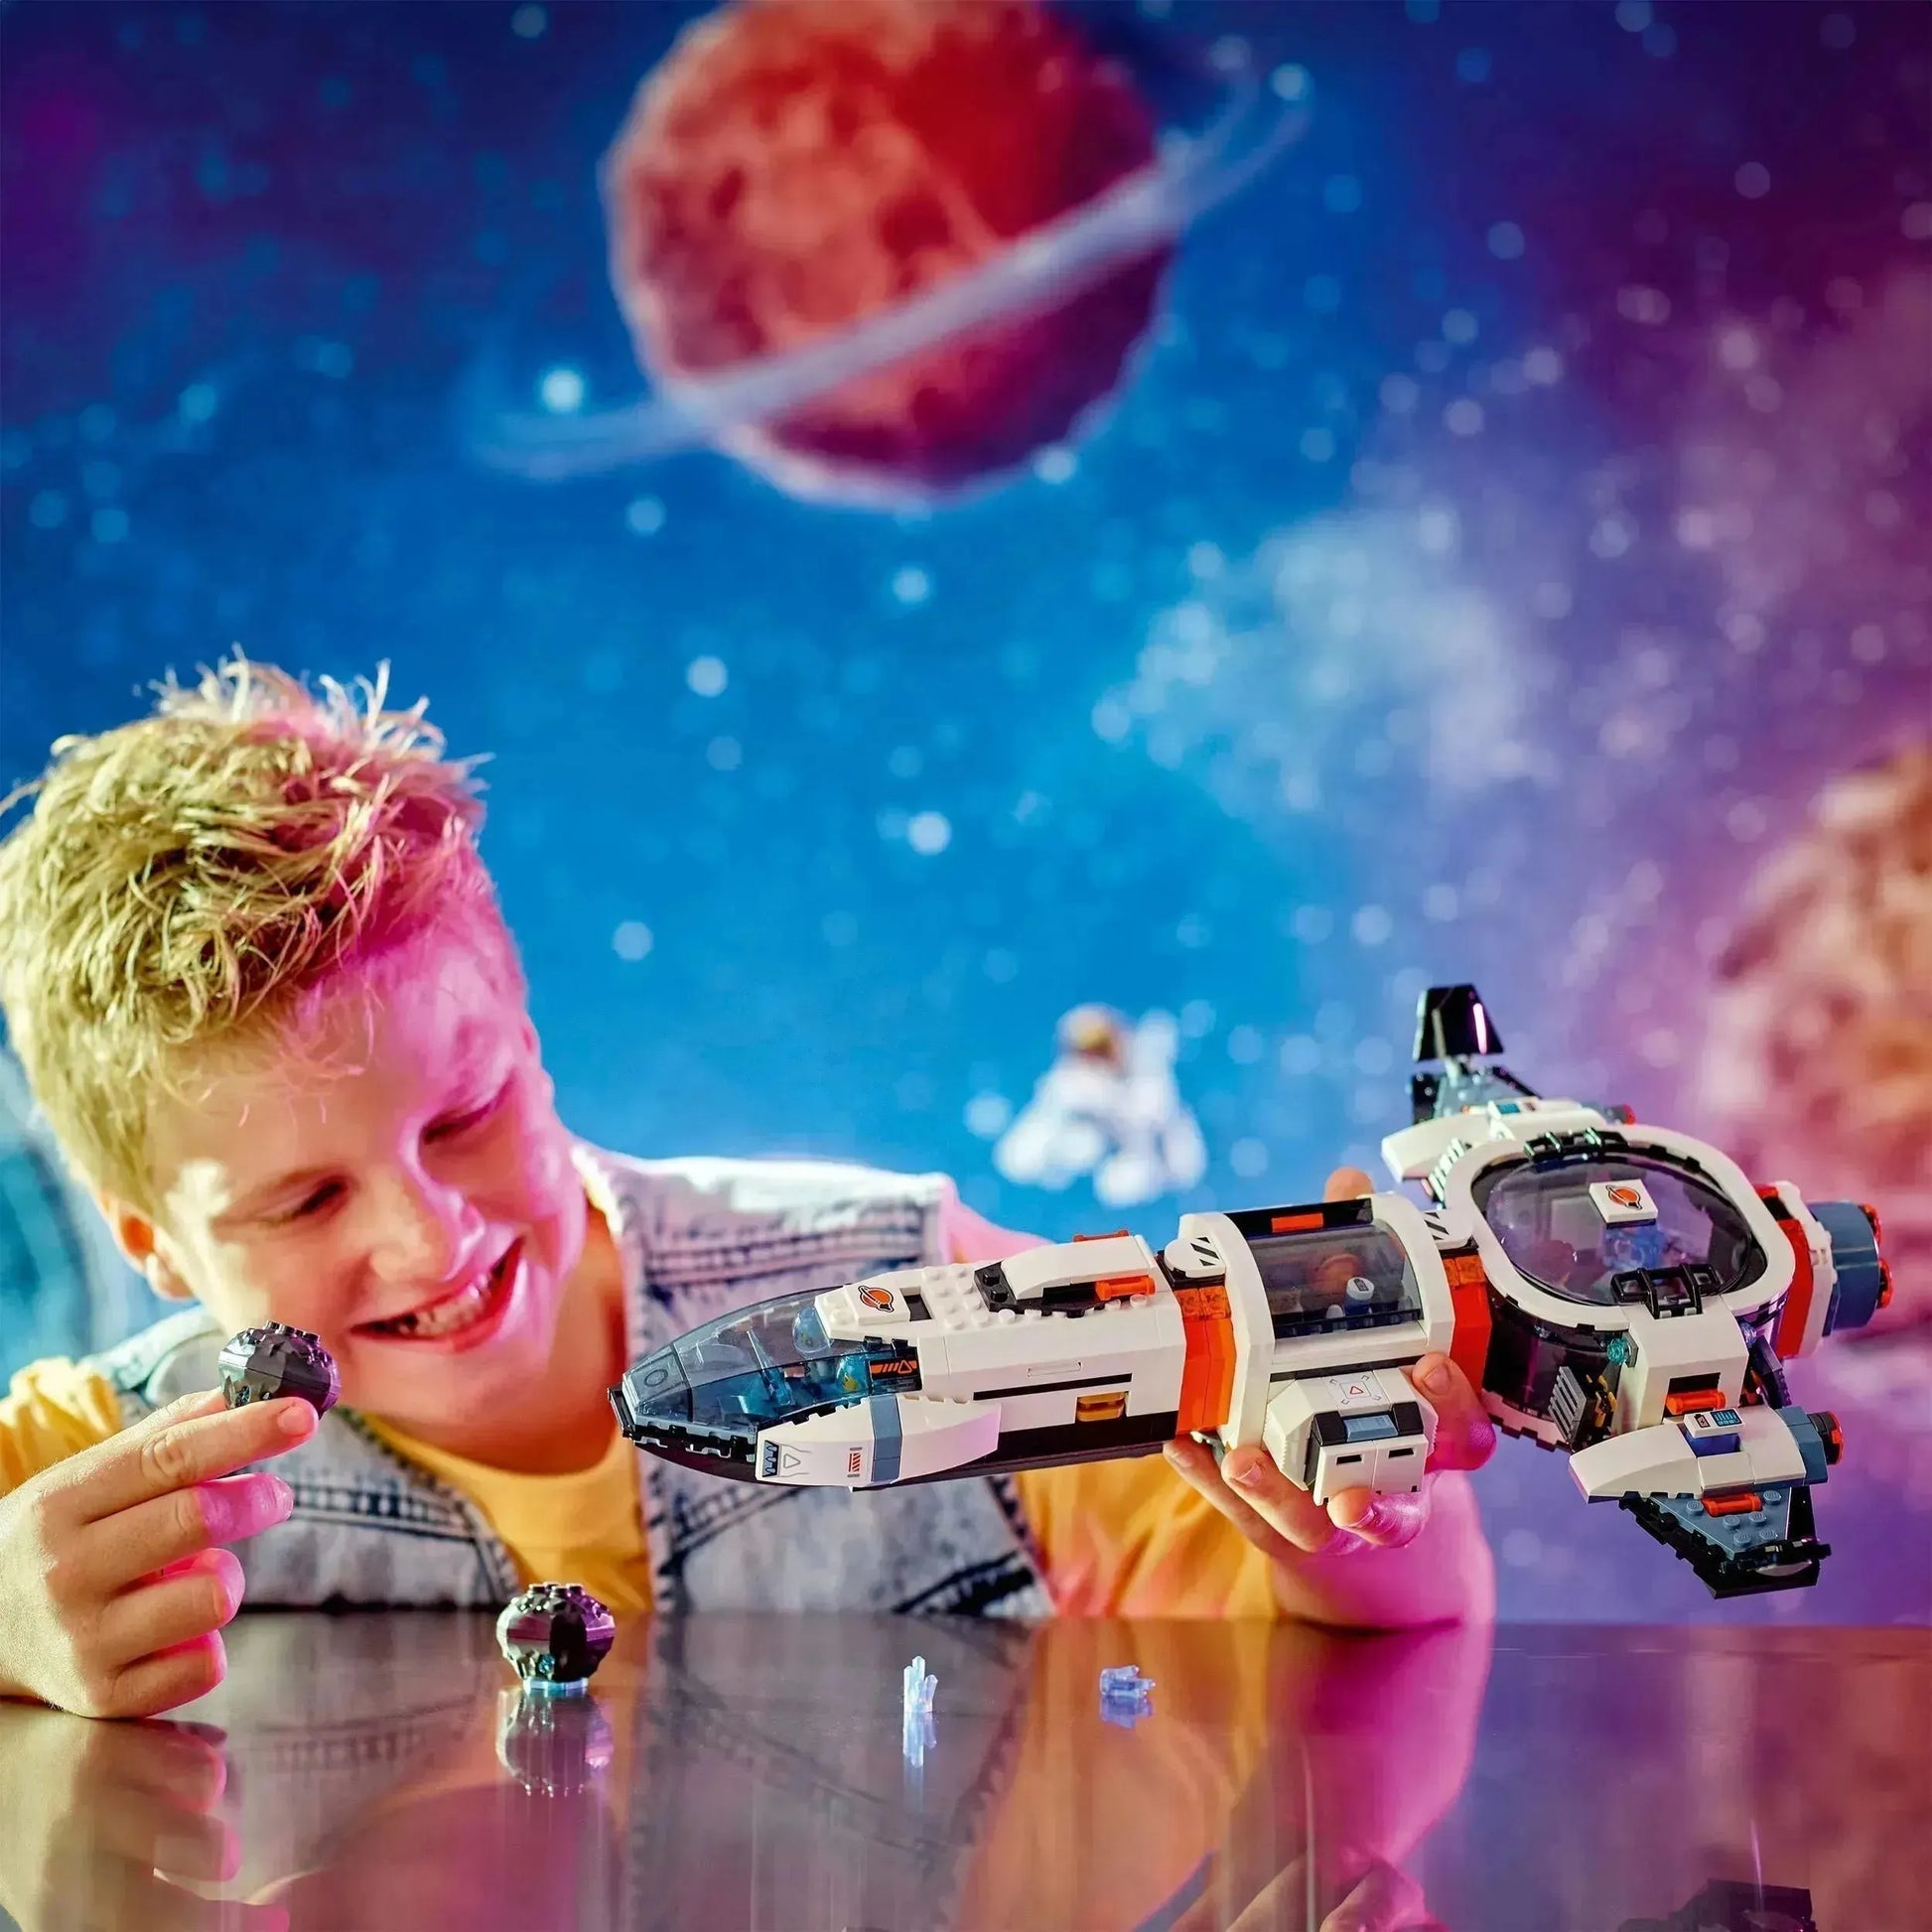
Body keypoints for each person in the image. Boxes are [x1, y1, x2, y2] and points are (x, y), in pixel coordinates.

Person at [0, 658, 1494, 1721]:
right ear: (153, 1245)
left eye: (463, 1114)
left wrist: (1377, 1518)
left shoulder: (934, 1302)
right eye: (304, 1203)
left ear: (531, 1044)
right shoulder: (92, 1466)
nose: (424, 1233)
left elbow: (1377, 1656)